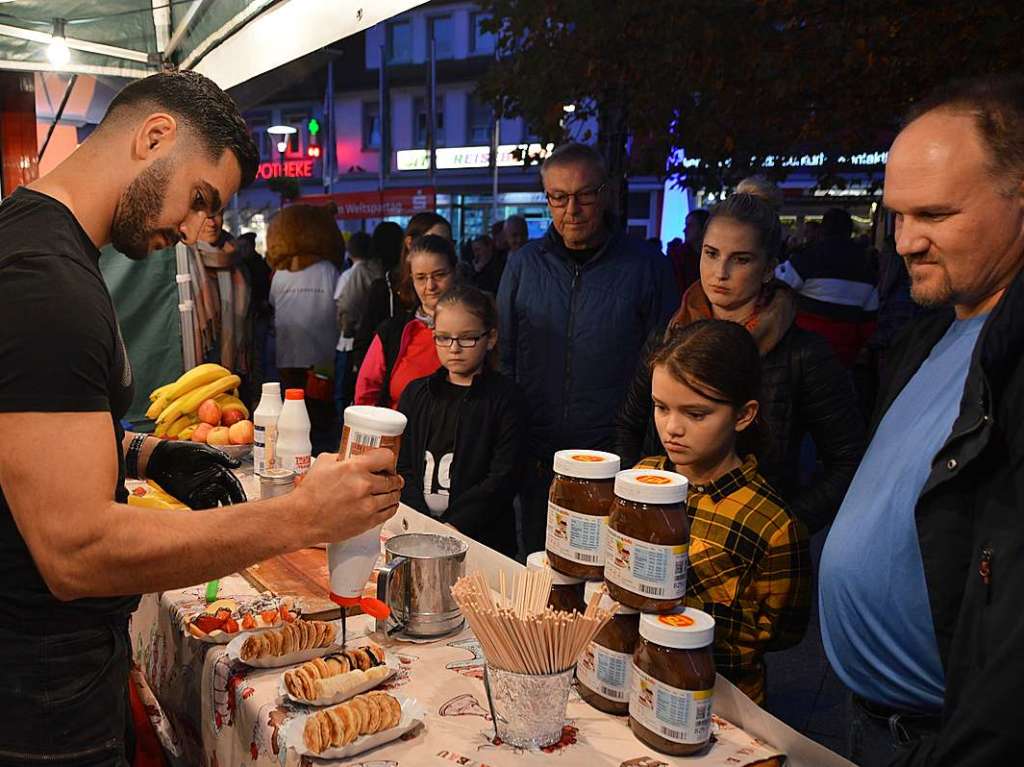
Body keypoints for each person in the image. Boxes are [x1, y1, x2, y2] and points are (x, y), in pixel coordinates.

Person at [0, 70, 402, 766]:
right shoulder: (45, 279)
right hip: (42, 709)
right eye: (200, 199)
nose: (194, 230)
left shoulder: (40, 243)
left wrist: (147, 454)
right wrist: (303, 517)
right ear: (154, 136)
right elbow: (73, 550)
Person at [819, 75, 1024, 767]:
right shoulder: (928, 335)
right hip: (874, 725)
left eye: (933, 214)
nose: (905, 241)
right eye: (896, 215)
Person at [617, 193, 865, 534]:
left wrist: (780, 526)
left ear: (767, 268)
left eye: (741, 259)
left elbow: (848, 460)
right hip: (664, 527)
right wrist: (642, 500)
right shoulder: (668, 335)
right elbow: (629, 426)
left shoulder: (804, 353)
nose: (720, 272)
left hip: (752, 543)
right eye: (711, 253)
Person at [498, 142, 679, 553]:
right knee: (540, 573)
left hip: (616, 458)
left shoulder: (647, 266)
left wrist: (638, 449)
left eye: (584, 195)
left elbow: (664, 369)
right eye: (558, 197)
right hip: (540, 458)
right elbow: (506, 358)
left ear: (606, 192)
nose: (571, 209)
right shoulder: (524, 265)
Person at [636, 319, 810, 704]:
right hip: (638, 679)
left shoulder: (772, 525)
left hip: (722, 699)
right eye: (661, 407)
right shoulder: (641, 479)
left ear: (743, 415)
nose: (672, 428)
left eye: (696, 414)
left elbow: (784, 631)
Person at [396, 285, 527, 556]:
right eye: (443, 338)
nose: (454, 348)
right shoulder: (416, 393)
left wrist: (455, 524)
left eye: (467, 338)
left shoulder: (506, 398)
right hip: (418, 533)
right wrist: (421, 521)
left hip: (483, 539)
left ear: (490, 338)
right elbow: (403, 463)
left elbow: (503, 476)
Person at [355, 234, 457, 408]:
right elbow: (366, 396)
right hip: (398, 433)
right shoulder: (393, 332)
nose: (430, 286)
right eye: (421, 278)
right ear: (411, 279)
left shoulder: (477, 328)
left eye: (439, 275)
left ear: (455, 272)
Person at [776, 207, 880, 367]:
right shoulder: (867, 265)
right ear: (850, 231)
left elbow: (777, 283)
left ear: (822, 230)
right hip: (845, 354)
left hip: (803, 348)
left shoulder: (809, 256)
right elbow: (869, 321)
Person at [267, 205, 343, 399]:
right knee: (320, 406)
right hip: (322, 352)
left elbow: (273, 304)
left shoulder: (280, 273)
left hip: (288, 351)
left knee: (292, 405)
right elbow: (339, 306)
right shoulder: (328, 270)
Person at [334, 231, 377, 417]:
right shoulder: (378, 272)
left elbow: (343, 305)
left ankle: (341, 433)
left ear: (349, 252)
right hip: (370, 340)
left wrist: (345, 327)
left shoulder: (348, 275)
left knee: (342, 391)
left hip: (349, 341)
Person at [353, 220, 405, 370]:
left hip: (375, 351)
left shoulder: (366, 272)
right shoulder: (385, 282)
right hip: (385, 353)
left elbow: (348, 304)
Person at [667, 208, 709, 295]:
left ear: (703, 228)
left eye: (690, 226)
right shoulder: (678, 257)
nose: (684, 230)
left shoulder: (713, 255)